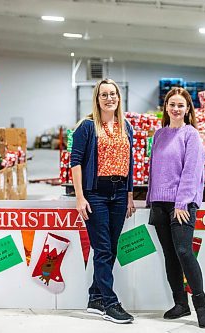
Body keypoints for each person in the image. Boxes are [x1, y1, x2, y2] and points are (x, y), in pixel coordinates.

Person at [146, 87, 205, 328]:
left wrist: (182, 202)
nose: (175, 109)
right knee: (170, 255)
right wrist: (151, 200)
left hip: (181, 205)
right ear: (166, 107)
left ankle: (201, 305)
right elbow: (154, 169)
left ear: (187, 110)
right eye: (171, 104)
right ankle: (180, 304)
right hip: (160, 204)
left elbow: (192, 170)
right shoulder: (159, 134)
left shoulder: (191, 135)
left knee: (184, 252)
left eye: (180, 105)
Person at [70, 78, 136, 324]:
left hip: (119, 194)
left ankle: (95, 297)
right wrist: (80, 197)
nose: (110, 98)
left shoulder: (125, 127)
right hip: (96, 193)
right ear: (97, 99)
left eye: (113, 94)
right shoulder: (86, 127)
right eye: (104, 94)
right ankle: (110, 303)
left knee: (112, 248)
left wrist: (129, 194)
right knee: (103, 248)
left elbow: (129, 164)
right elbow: (75, 162)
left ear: (119, 98)